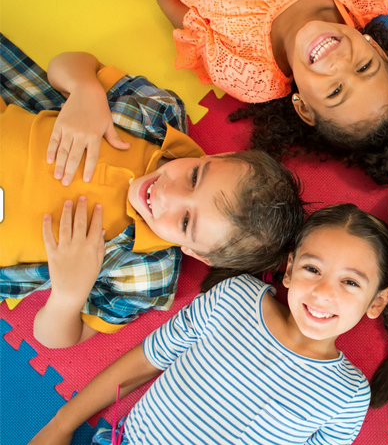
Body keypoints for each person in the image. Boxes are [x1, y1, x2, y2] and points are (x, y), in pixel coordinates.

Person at [0, 35, 304, 349]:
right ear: (216, 158)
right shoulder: (156, 117)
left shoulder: (145, 274)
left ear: (195, 253)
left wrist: (68, 293)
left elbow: (55, 338)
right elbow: (63, 65)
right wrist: (84, 89)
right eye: (194, 177)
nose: (167, 194)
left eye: (186, 222)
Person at [30, 204, 388, 444]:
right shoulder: (234, 298)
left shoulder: (349, 394)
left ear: (377, 302)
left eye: (350, 282)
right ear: (289, 270)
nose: (324, 292)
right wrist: (62, 424)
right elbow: (146, 360)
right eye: (312, 269)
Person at [119, 0, 388, 185]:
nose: (338, 64)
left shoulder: (245, 71)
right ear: (375, 48)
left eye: (335, 91)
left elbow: (176, 9)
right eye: (363, 67)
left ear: (304, 108)